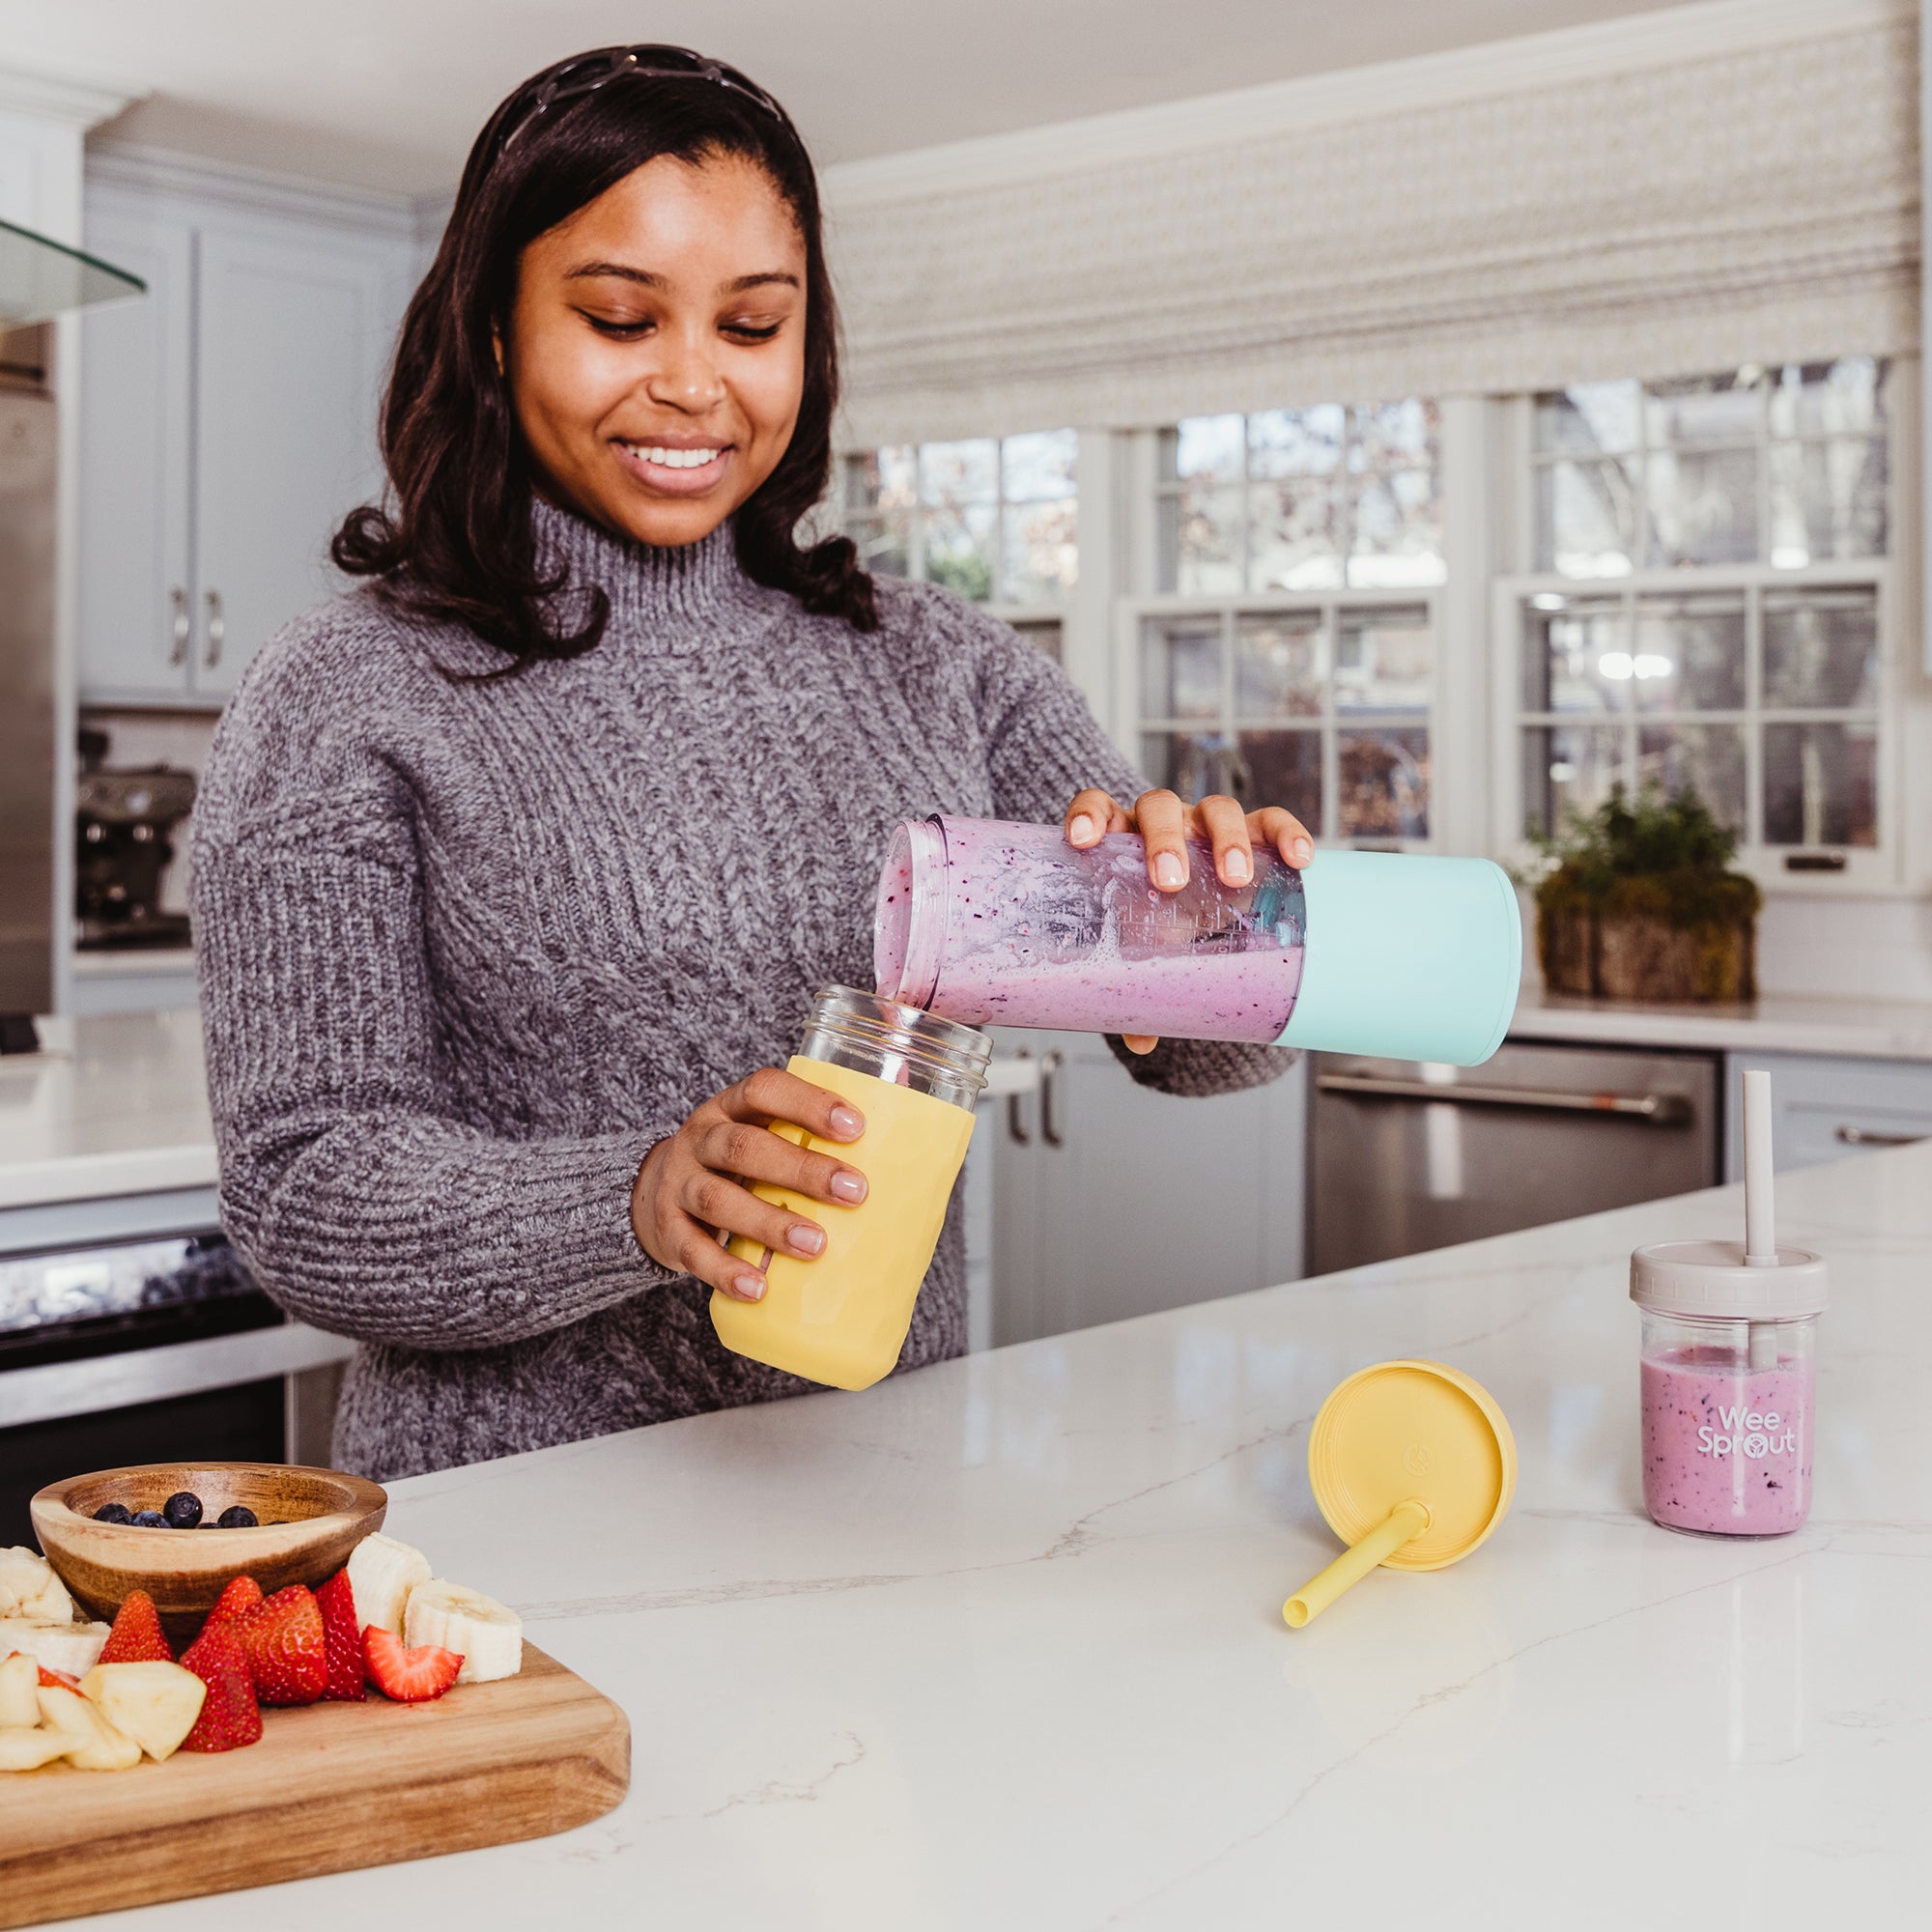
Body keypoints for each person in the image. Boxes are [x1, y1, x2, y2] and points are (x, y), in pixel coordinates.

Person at [191, 45, 1312, 1483]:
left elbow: (1213, 1048)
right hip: (523, 1539)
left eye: (751, 325)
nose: (690, 385)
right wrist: (642, 1197)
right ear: (489, 330)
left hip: (886, 1507)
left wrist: (1215, 918)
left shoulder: (936, 663)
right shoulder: (346, 693)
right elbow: (304, 1192)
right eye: (616, 317)